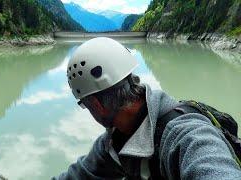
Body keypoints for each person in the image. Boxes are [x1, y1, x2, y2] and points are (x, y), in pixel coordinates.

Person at [53, 37, 241, 179]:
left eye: (84, 105)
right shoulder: (114, 142)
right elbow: (79, 176)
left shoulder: (187, 136)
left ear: (96, 105)